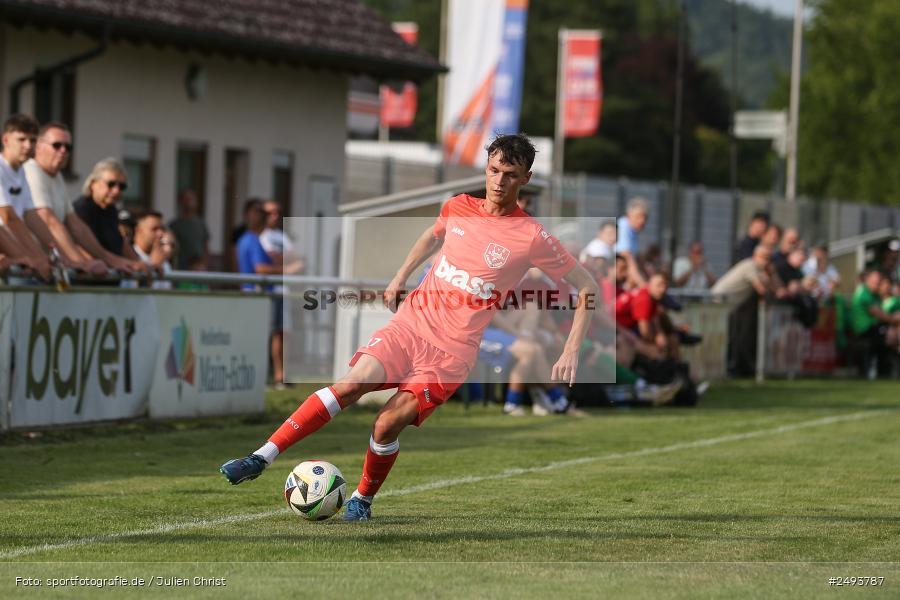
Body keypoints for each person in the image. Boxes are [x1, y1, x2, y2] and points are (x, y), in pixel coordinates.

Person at [220, 134, 599, 521]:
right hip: (410, 327)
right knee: (350, 385)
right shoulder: (458, 206)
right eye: (494, 170)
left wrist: (570, 348)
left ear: (526, 179)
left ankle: (362, 499)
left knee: (386, 424)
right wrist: (401, 275)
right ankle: (260, 457)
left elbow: (588, 287)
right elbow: (432, 236)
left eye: (511, 174)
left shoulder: (532, 236)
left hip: (451, 354)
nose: (499, 181)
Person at [24, 121, 141, 277]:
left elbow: (76, 225)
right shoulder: (32, 172)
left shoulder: (56, 177)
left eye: (68, 147)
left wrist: (110, 260)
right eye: (57, 145)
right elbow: (49, 221)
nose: (63, 151)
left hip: (46, 269)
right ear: (38, 146)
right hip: (28, 270)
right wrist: (81, 263)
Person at [236, 200, 303, 388]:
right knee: (262, 337)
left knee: (274, 335)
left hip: (266, 294)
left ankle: (270, 378)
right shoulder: (251, 240)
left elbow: (294, 258)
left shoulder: (252, 239)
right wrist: (286, 269)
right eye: (264, 213)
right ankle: (261, 378)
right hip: (257, 295)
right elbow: (260, 268)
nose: (270, 217)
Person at [0, 114, 53, 280]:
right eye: (21, 139)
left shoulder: (21, 171)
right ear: (6, 140)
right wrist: (30, 259)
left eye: (32, 140)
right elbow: (8, 218)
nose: (28, 146)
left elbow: (31, 217)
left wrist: (54, 256)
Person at [259, 199, 305, 389]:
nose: (275, 216)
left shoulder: (281, 235)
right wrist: (287, 265)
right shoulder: (261, 236)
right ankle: (268, 375)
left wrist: (285, 262)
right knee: (270, 334)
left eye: (277, 212)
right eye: (270, 212)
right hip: (269, 292)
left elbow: (297, 259)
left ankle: (280, 375)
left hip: (284, 291)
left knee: (283, 333)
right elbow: (273, 260)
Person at [713, 244, 774, 376]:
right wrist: (769, 276)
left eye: (768, 258)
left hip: (728, 306)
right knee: (724, 338)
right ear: (755, 255)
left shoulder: (757, 269)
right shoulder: (750, 266)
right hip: (717, 304)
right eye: (763, 257)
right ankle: (726, 368)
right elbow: (762, 290)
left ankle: (733, 367)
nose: (766, 261)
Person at [73, 158, 144, 265]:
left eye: (122, 186)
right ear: (93, 183)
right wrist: (126, 264)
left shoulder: (110, 210)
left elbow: (120, 243)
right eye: (111, 184)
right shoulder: (81, 209)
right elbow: (82, 249)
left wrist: (141, 264)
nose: (116, 191)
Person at [850, 270, 900, 379]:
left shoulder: (874, 295)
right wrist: (895, 318)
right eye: (875, 282)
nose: (877, 285)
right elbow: (881, 315)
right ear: (868, 280)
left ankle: (886, 369)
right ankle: (884, 369)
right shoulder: (864, 294)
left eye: (878, 283)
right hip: (865, 330)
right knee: (891, 335)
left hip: (873, 328)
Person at [169, 189, 209, 271]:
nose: (189, 202)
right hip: (180, 269)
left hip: (198, 270)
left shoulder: (201, 224)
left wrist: (204, 264)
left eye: (191, 199)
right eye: (186, 199)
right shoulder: (174, 225)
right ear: (180, 202)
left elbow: (206, 246)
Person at [132, 209, 173, 288]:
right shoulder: (127, 257)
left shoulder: (163, 261)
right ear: (138, 230)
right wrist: (153, 266)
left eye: (162, 229)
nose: (160, 233)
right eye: (154, 229)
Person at [614, 197, 649, 287]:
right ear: (629, 215)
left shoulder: (632, 231)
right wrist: (643, 285)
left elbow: (637, 259)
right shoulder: (623, 226)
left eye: (645, 217)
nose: (642, 221)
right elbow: (628, 258)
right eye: (639, 216)